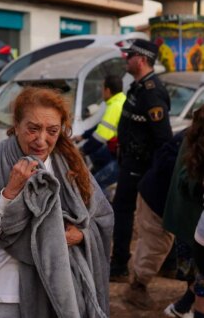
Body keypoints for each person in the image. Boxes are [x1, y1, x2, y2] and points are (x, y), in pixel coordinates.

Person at [0, 87, 114, 318]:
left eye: (52, 131)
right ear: (17, 126)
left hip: (61, 294)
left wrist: (81, 235)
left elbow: (101, 218)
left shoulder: (71, 168)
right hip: (2, 292)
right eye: (33, 129)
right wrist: (9, 193)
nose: (42, 140)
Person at [110, 38, 173, 282]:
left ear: (142, 59)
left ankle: (119, 266)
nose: (126, 59)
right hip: (132, 161)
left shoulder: (152, 92)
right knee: (155, 212)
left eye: (130, 56)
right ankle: (169, 264)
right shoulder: (137, 87)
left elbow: (163, 138)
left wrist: (156, 171)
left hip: (141, 164)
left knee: (126, 211)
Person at [124, 130, 185, 309]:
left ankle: (167, 268)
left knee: (164, 242)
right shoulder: (192, 142)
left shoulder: (191, 135)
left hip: (164, 196)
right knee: (155, 244)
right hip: (157, 199)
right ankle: (137, 285)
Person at [163, 105, 204, 318]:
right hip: (192, 226)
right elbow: (187, 184)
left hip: (188, 225)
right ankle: (183, 308)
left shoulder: (192, 135)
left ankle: (181, 307)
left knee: (199, 280)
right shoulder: (196, 143)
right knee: (200, 282)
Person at [73, 75, 126, 195]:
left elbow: (100, 138)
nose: (102, 92)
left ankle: (102, 211)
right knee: (96, 155)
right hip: (117, 152)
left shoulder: (114, 107)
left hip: (121, 158)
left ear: (107, 90)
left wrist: (81, 151)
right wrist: (83, 136)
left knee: (95, 185)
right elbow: (101, 126)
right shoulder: (120, 100)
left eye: (102, 88)